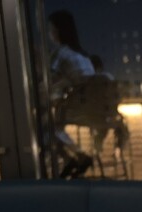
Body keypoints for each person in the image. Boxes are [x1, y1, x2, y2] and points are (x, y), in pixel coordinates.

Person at [48, 10, 94, 178]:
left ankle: (77, 157)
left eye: (50, 29)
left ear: (57, 31)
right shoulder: (83, 55)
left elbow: (48, 81)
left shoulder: (61, 53)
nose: (49, 34)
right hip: (92, 106)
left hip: (77, 106)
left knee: (48, 129)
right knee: (52, 128)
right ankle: (71, 160)